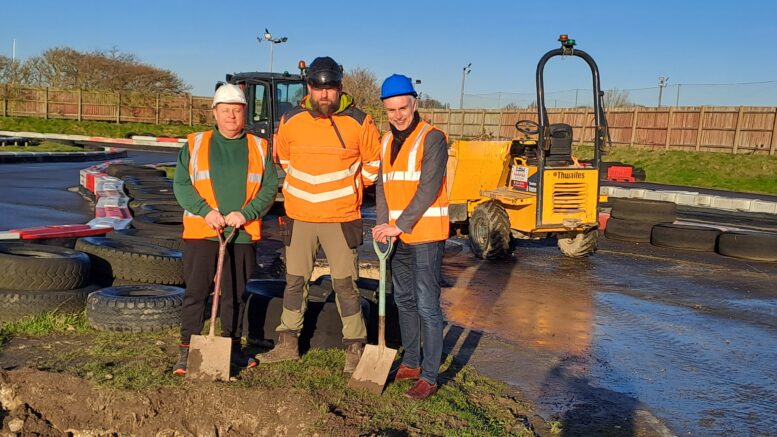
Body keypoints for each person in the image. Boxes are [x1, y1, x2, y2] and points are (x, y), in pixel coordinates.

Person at [256, 56, 381, 373]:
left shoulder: (360, 122)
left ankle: (354, 347)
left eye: (330, 88)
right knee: (295, 282)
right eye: (318, 88)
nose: (324, 94)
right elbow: (282, 160)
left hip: (341, 219)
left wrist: (349, 190)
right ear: (309, 87)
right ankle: (287, 343)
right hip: (300, 218)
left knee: (346, 285)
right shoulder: (290, 121)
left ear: (340, 88)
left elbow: (373, 167)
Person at [172, 83, 278, 375]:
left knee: (234, 294)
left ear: (245, 113)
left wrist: (245, 214)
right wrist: (207, 212)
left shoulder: (260, 147)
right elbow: (181, 185)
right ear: (215, 113)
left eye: (237, 110)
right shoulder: (195, 145)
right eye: (225, 110)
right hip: (202, 232)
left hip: (241, 234)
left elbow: (270, 187)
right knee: (196, 291)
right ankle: (186, 350)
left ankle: (231, 348)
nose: (231, 116)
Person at [372, 74, 449, 400]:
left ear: (415, 103)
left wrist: (399, 225)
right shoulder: (386, 141)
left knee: (427, 305)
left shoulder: (432, 138)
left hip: (425, 235)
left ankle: (430, 376)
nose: (398, 115)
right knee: (403, 300)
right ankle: (412, 362)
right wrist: (381, 226)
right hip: (396, 236)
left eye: (403, 107)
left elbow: (428, 188)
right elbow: (382, 186)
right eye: (391, 110)